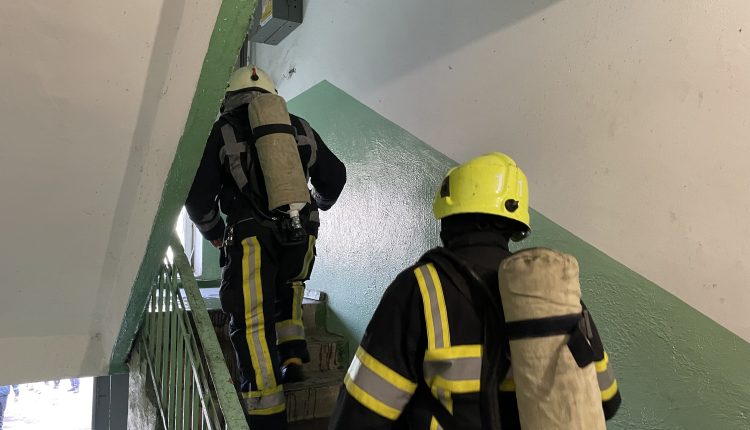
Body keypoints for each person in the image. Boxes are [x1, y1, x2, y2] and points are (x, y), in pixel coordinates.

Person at [329, 152, 621, 429]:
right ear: (513, 227)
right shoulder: (548, 291)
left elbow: (361, 413)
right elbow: (607, 400)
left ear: (448, 219)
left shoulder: (420, 287)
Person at [186, 65, 346, 429]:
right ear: (272, 94)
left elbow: (197, 197)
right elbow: (335, 177)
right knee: (290, 287)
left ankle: (267, 415)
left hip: (251, 238)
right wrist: (316, 205)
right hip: (303, 234)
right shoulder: (299, 126)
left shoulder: (224, 130)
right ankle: (293, 355)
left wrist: (214, 231)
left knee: (252, 322)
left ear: (229, 98)